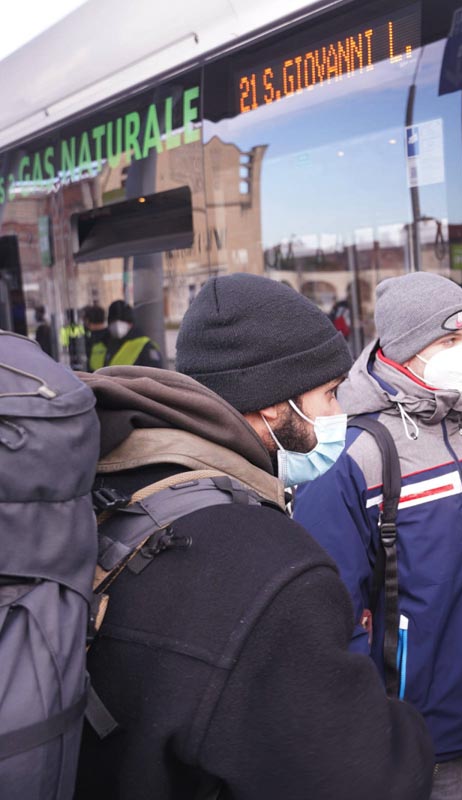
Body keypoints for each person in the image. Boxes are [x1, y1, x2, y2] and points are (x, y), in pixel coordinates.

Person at [76, 273, 434, 799]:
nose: (341, 413)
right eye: (331, 394)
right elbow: (369, 779)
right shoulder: (269, 568)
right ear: (272, 404)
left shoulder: (109, 482)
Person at [293, 273, 462, 800]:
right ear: (406, 348)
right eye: (449, 340)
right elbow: (331, 603)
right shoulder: (353, 454)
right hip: (415, 718)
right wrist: (367, 716)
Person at [88, 299, 163, 371]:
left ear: (131, 323)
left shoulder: (145, 345)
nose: (117, 325)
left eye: (124, 321)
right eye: (113, 321)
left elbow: (155, 374)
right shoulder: (101, 343)